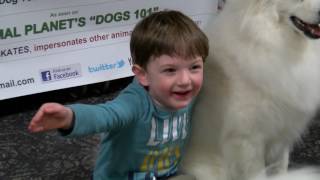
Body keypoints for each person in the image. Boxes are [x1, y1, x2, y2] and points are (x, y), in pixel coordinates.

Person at [28, 10, 208, 180]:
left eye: (194, 67)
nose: (186, 80)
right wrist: (70, 116)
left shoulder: (190, 94)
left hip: (168, 173)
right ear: (143, 75)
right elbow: (106, 115)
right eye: (170, 70)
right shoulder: (135, 102)